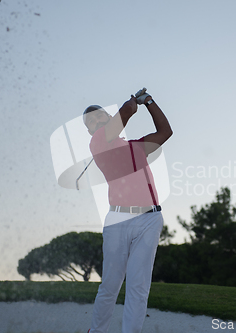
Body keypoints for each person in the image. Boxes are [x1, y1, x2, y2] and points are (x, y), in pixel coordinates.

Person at [83, 88, 172, 333]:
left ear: (107, 116)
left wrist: (149, 102)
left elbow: (166, 132)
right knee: (111, 285)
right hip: (118, 219)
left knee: (138, 286)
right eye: (92, 121)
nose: (97, 121)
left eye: (100, 116)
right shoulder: (97, 141)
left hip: (149, 219)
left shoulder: (137, 147)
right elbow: (125, 113)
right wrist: (133, 102)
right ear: (90, 130)